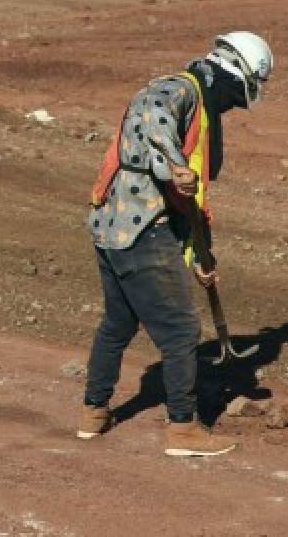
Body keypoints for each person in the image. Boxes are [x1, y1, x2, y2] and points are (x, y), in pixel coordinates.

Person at [77, 31, 273, 457]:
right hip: (143, 228)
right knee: (182, 330)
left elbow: (193, 199)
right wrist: (173, 165)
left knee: (118, 322)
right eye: (241, 94)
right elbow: (151, 113)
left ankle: (94, 412)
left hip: (113, 227)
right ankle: (183, 428)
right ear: (232, 75)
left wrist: (202, 255)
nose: (237, 105)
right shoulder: (178, 88)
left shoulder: (201, 104)